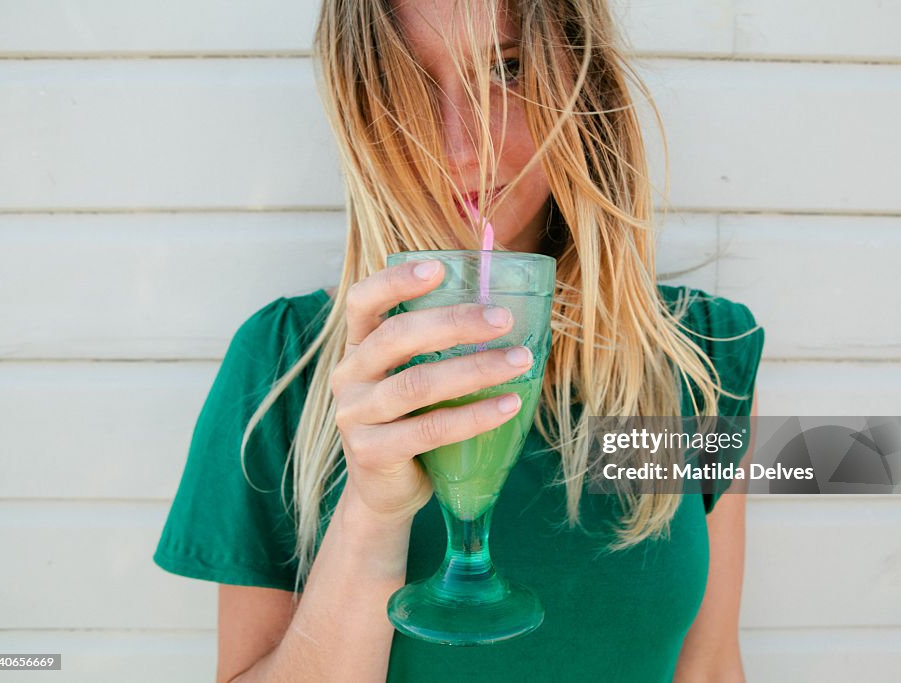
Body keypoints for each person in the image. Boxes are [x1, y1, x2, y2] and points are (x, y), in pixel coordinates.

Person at [153, 0, 765, 680]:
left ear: (582, 80)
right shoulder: (283, 370)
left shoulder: (701, 359)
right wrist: (371, 514)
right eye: (405, 88)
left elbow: (709, 668)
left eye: (505, 68)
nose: (460, 147)